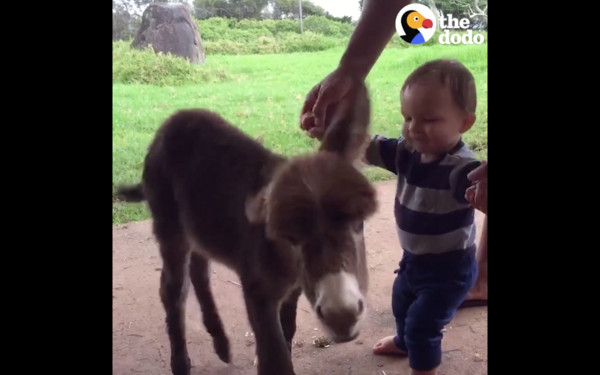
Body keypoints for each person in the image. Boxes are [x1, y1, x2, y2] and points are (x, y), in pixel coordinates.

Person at [300, 0, 488, 307]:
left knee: (422, 328)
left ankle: (423, 344)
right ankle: (407, 337)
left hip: (450, 268)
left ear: (465, 123)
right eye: (408, 118)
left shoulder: (462, 169)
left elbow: (478, 185)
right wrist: (334, 129)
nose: (413, 128)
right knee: (403, 307)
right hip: (413, 261)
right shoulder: (405, 152)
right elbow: (365, 145)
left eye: (429, 120)